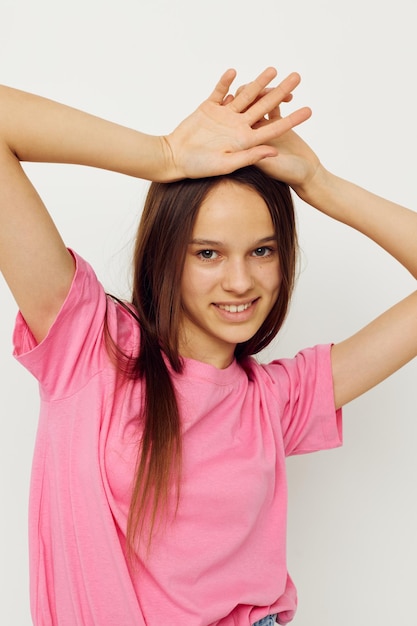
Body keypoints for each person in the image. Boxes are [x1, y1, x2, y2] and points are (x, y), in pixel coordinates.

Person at [0, 67, 415, 626]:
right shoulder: (89, 348)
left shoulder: (276, 401)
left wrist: (321, 184)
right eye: (208, 254)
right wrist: (165, 155)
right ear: (168, 255)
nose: (241, 282)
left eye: (262, 251)